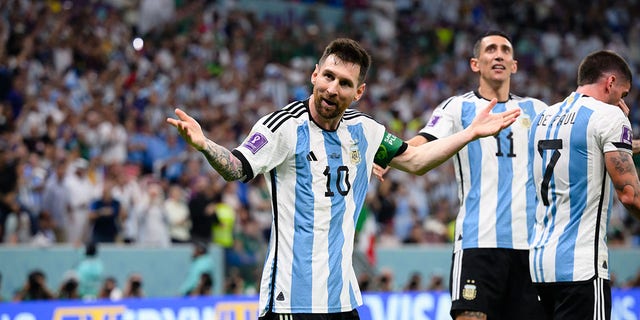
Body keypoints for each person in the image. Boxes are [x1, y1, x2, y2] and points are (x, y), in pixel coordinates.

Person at [167, 38, 519, 319]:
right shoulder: (282, 127)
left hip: (341, 298)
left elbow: (415, 160)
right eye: (329, 77)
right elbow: (237, 167)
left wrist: (470, 134)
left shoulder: (365, 131)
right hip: (291, 301)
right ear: (315, 74)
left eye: (345, 83)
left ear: (358, 92)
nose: (333, 89)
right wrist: (204, 145)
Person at [376, 31, 547, 320]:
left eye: (505, 50)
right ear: (475, 64)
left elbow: (574, 142)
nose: (499, 54)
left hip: (530, 247)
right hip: (477, 243)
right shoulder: (458, 107)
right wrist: (389, 157)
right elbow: (423, 143)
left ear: (514, 65)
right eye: (491, 49)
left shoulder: (538, 110)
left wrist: (621, 143)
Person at [529, 50, 640, 320]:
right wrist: (621, 125)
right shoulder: (610, 117)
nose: (622, 103)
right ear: (610, 82)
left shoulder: (542, 118)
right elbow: (629, 195)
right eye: (623, 95)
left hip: (538, 267)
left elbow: (582, 153)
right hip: (581, 268)